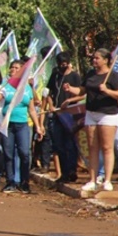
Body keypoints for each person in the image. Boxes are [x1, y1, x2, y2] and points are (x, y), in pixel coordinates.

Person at [63, 48, 118, 192]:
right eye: (94, 58)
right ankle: (92, 179)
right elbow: (83, 90)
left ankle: (107, 180)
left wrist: (107, 91)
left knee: (107, 147)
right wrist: (71, 89)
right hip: (91, 112)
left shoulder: (114, 76)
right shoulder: (91, 74)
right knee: (92, 147)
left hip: (108, 114)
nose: (94, 60)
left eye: (97, 58)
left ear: (105, 60)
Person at [1, 59, 45, 194]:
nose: (13, 70)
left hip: (23, 125)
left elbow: (32, 109)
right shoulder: (5, 87)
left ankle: (25, 182)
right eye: (12, 67)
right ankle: (10, 182)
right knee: (8, 154)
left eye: (17, 68)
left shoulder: (27, 89)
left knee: (24, 153)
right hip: (7, 125)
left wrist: (38, 126)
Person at [45, 52, 82, 183]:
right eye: (60, 64)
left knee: (70, 144)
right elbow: (50, 93)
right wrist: (50, 105)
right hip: (56, 114)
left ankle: (72, 171)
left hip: (70, 115)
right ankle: (64, 172)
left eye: (65, 64)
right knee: (58, 144)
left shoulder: (75, 76)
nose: (63, 67)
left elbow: (82, 95)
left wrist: (70, 101)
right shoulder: (55, 76)